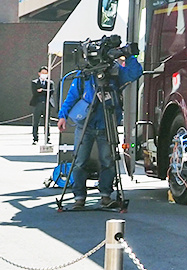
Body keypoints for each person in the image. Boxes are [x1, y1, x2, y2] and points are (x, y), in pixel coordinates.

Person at [56, 53, 143, 209]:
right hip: (86, 123)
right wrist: (62, 115)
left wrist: (130, 55)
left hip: (107, 123)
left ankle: (105, 196)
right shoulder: (84, 74)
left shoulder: (115, 71)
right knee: (79, 161)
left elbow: (135, 73)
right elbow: (72, 96)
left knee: (108, 162)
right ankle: (79, 198)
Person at [29, 66, 52, 144]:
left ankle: (47, 139)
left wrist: (42, 90)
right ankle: (35, 139)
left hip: (47, 104)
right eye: (42, 73)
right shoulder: (34, 82)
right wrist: (45, 91)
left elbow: (51, 92)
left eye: (46, 73)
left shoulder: (50, 83)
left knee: (47, 122)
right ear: (39, 73)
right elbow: (35, 92)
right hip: (37, 103)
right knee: (36, 122)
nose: (44, 74)